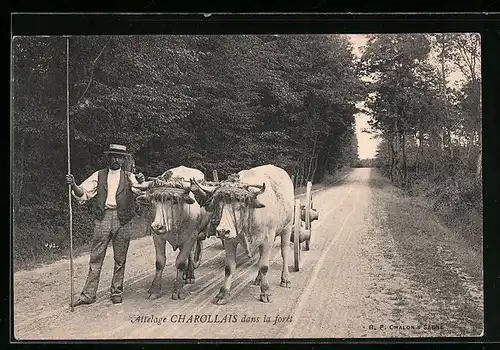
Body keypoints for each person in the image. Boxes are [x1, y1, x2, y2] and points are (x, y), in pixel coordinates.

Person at [65, 144, 145, 306]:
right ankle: (88, 295)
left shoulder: (130, 176)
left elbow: (140, 192)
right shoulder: (99, 175)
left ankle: (116, 292)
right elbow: (83, 193)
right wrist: (73, 184)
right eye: (113, 156)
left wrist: (141, 182)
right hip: (103, 218)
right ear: (108, 158)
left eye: (119, 157)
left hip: (123, 220)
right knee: (96, 257)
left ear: (123, 160)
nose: (115, 159)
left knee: (120, 259)